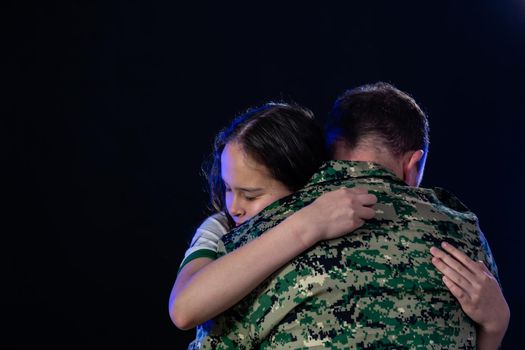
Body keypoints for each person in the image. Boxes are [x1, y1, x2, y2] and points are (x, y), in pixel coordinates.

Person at [192, 82, 509, 349]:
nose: (236, 205)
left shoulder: (254, 235)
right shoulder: (461, 232)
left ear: (329, 151)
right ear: (414, 164)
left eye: (248, 194)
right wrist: (496, 327)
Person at [169, 103, 378, 330]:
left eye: (250, 196)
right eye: (228, 189)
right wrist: (308, 224)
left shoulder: (339, 212)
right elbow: (184, 310)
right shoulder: (220, 226)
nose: (234, 207)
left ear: (300, 186)